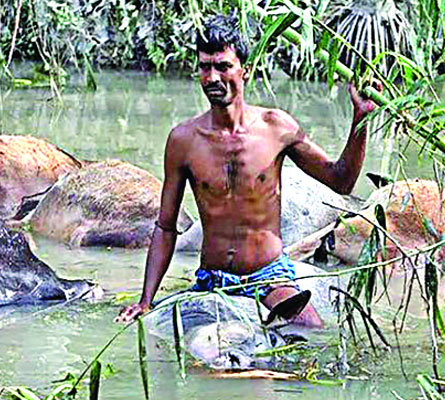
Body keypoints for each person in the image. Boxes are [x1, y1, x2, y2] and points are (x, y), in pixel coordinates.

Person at [116, 14, 377, 327]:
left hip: (269, 277)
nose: (213, 78)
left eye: (223, 66)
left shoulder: (276, 127)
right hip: (212, 279)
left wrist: (360, 119)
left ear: (245, 70)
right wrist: (146, 300)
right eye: (205, 67)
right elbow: (166, 227)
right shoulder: (183, 140)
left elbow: (341, 181)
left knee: (312, 334)